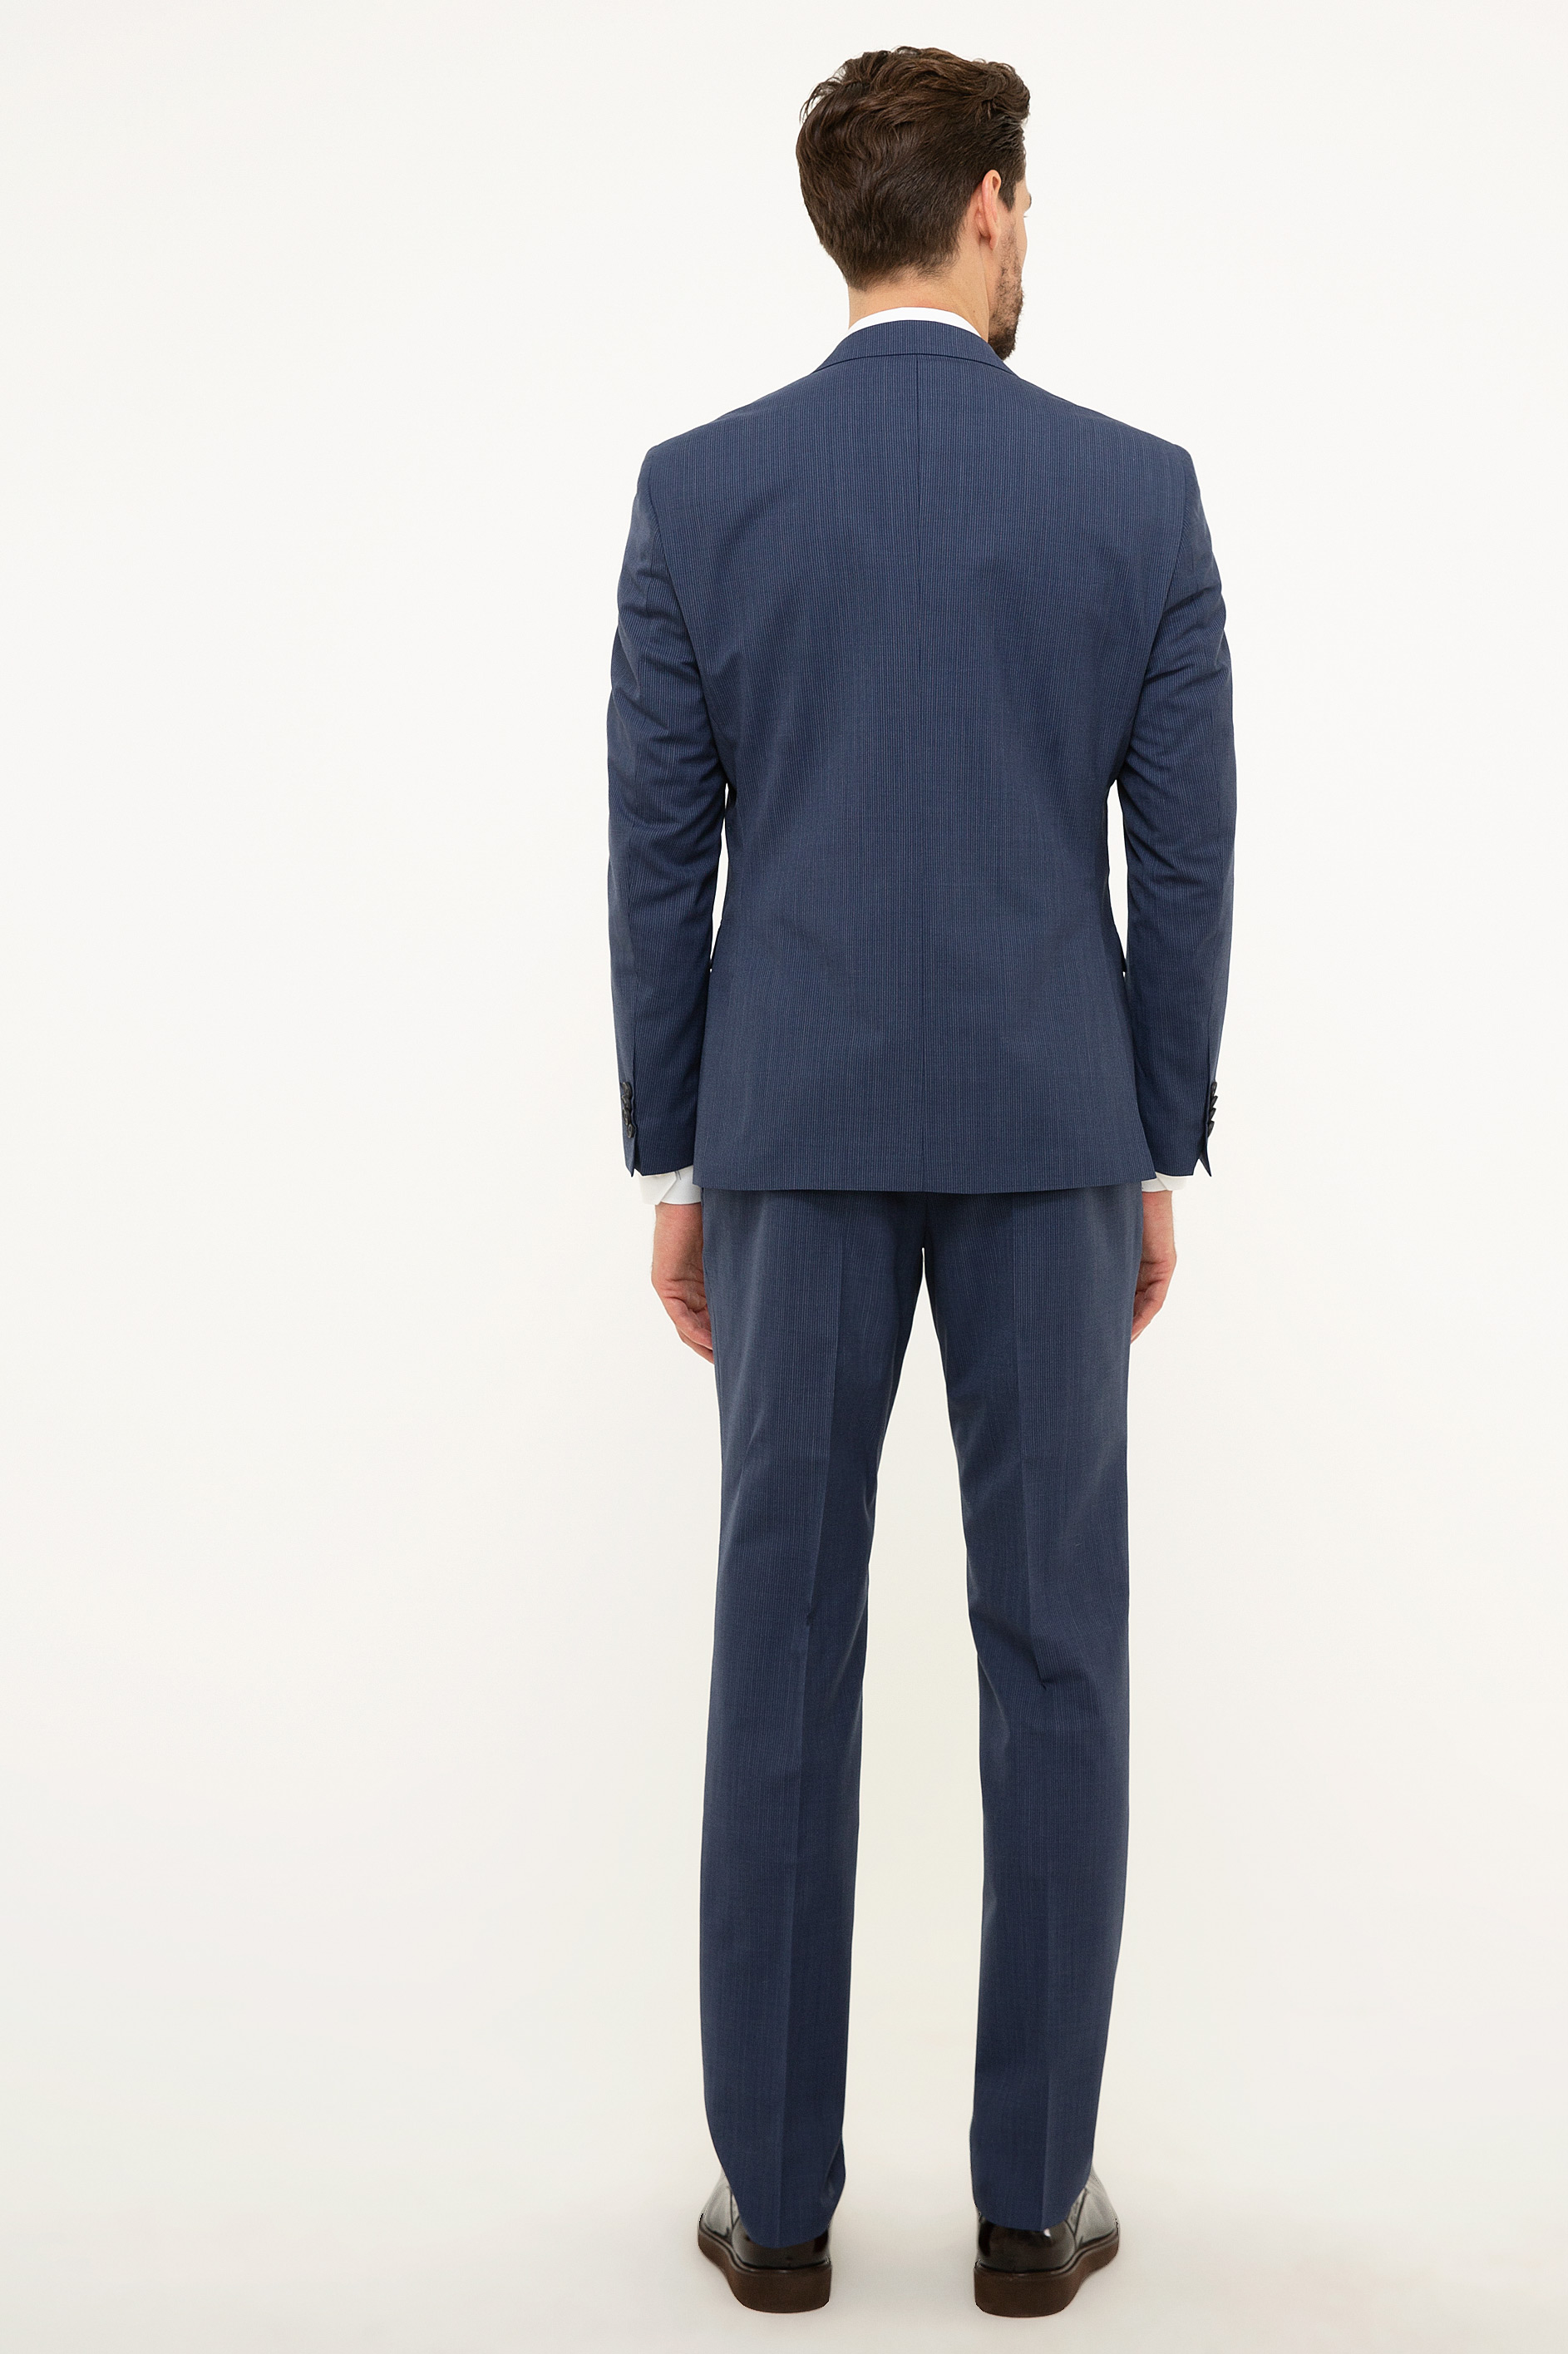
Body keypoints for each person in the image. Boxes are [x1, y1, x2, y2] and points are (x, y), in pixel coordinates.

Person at [607, 44, 1235, 2319]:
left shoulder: (703, 494)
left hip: (785, 1135)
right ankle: (1028, 2209)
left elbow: (657, 853)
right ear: (984, 206)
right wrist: (1150, 1135)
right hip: (1051, 1137)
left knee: (779, 1639)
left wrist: (680, 1152)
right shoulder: (1133, 495)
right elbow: (1185, 858)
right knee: (1055, 1646)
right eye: (1025, 205)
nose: (1025, 235)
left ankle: (776, 2212)